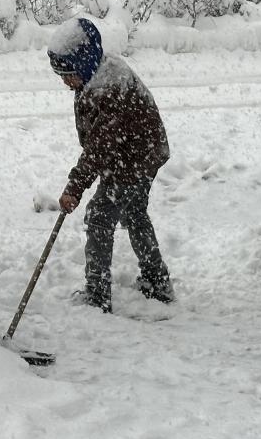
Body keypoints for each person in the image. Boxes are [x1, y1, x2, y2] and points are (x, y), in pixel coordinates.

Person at [48, 18, 174, 313]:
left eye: (68, 75)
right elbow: (100, 143)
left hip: (133, 160)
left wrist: (74, 189)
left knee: (99, 217)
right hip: (139, 153)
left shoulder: (108, 89)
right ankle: (158, 282)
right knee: (134, 213)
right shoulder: (97, 74)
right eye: (61, 76)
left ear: (84, 64)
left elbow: (99, 148)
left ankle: (97, 294)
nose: (66, 82)